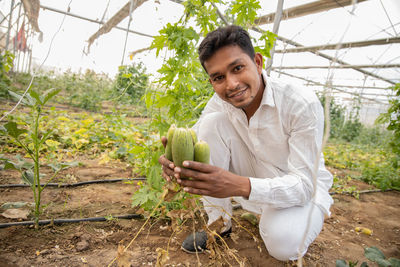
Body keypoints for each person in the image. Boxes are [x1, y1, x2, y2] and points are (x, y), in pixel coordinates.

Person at [158, 25, 333, 261]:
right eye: (219, 77)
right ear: (212, 82)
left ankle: (306, 216)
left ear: (258, 63)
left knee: (284, 244)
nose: (231, 84)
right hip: (255, 172)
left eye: (238, 68)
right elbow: (197, 139)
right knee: (210, 125)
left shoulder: (300, 103)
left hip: (300, 186)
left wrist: (240, 185)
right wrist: (174, 160)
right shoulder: (221, 101)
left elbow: (304, 185)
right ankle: (219, 223)